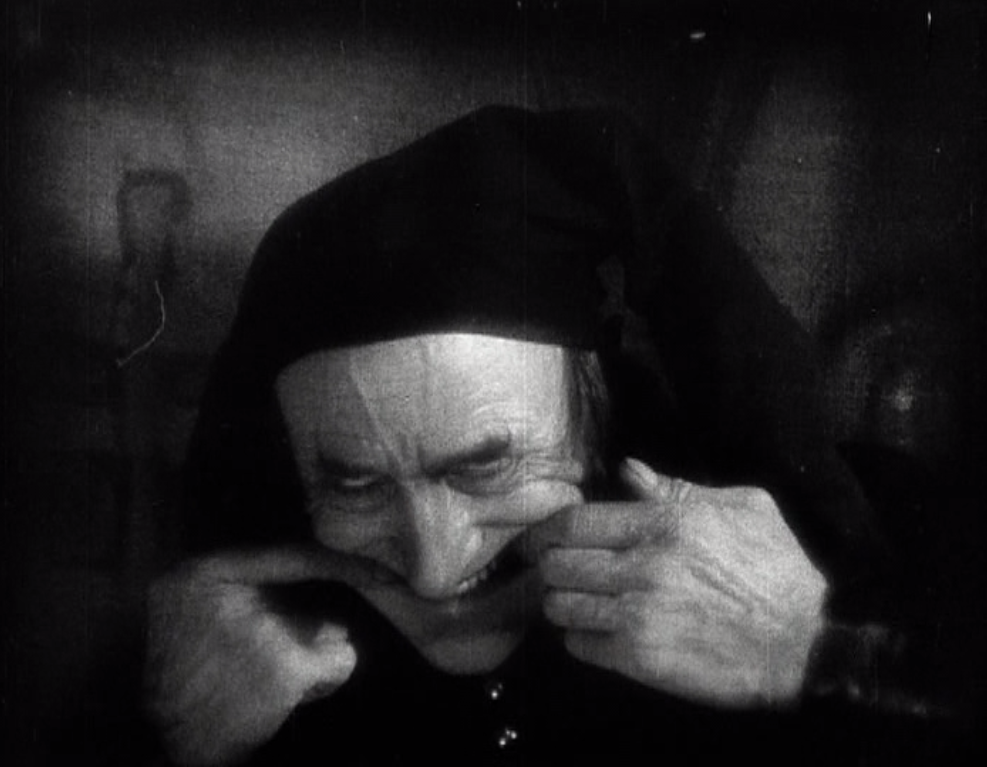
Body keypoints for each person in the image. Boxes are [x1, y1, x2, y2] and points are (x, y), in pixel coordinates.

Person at [142, 106, 977, 766]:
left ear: (596, 413)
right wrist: (169, 743)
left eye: (487, 465)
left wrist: (825, 652)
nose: (432, 570)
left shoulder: (911, 532)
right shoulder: (234, 651)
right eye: (354, 484)